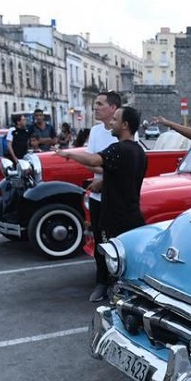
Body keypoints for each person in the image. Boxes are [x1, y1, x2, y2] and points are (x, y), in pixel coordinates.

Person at [57, 105, 147, 302]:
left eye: (115, 119)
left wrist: (68, 154)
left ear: (125, 125)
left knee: (117, 264)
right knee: (128, 264)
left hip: (117, 219)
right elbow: (95, 164)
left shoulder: (119, 149)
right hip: (131, 215)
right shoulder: (138, 150)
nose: (111, 123)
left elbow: (93, 159)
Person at [81, 91, 121, 302]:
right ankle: (101, 281)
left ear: (113, 108)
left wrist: (104, 180)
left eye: (100, 104)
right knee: (98, 240)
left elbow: (126, 162)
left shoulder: (124, 131)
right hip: (97, 197)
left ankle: (119, 282)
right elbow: (89, 160)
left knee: (117, 240)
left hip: (116, 197)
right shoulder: (96, 131)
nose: (95, 107)